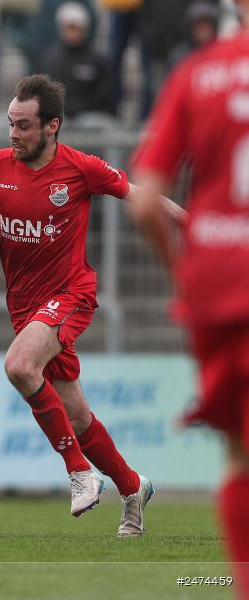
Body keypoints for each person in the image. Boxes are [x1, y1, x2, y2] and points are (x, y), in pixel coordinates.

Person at [0, 74, 184, 536]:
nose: (13, 135)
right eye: (11, 125)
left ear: (52, 126)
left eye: (24, 126)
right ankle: (133, 488)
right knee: (76, 416)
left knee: (18, 365)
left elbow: (140, 195)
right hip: (27, 308)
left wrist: (196, 225)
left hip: (71, 295)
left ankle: (79, 473)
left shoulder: (81, 168)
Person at [129, 0, 249, 592]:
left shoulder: (196, 73)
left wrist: (184, 274)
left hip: (216, 283)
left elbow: (147, 201)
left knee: (238, 454)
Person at [41, 2, 112, 118]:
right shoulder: (51, 59)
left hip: (90, 115)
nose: (72, 33)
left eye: (75, 28)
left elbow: (104, 92)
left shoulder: (97, 59)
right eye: (69, 28)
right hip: (60, 115)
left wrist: (80, 107)